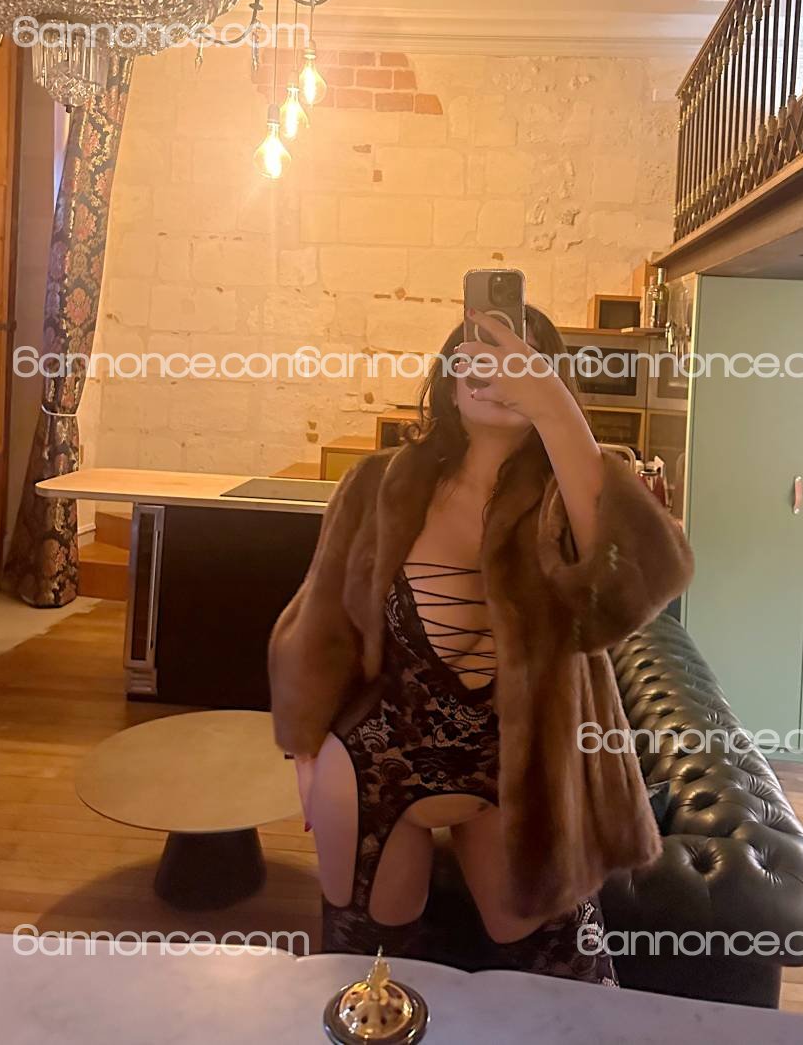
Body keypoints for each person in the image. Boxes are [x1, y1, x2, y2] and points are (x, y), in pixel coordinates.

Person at [269, 304, 693, 982]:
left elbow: (633, 588)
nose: (495, 369)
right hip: (379, 753)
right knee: (363, 973)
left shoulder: (569, 492)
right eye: (478, 351)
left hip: (527, 764)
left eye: (519, 357)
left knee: (570, 977)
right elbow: (321, 621)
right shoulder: (378, 484)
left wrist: (555, 413)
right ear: (448, 372)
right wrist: (304, 745)